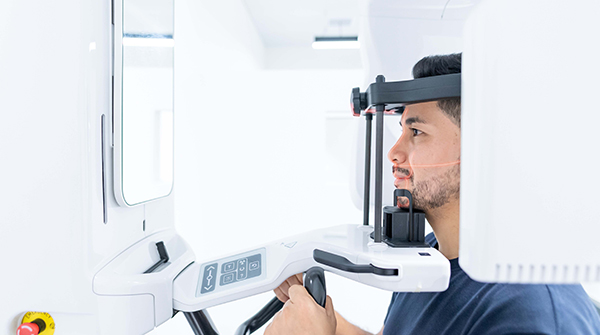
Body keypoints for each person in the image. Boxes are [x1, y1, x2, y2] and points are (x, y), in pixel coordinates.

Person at [264, 53, 600, 335]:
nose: (394, 153)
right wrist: (327, 322)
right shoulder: (428, 258)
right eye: (402, 131)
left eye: (416, 132)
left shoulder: (530, 309)